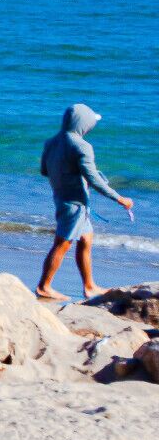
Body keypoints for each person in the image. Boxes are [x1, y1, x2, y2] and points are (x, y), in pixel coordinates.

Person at [36, 104, 133, 301]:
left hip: (62, 197)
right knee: (62, 243)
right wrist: (120, 198)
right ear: (83, 124)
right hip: (75, 203)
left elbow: (45, 171)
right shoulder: (82, 146)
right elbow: (95, 180)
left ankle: (89, 286)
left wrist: (67, 175)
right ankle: (44, 286)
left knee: (86, 239)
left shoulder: (51, 142)